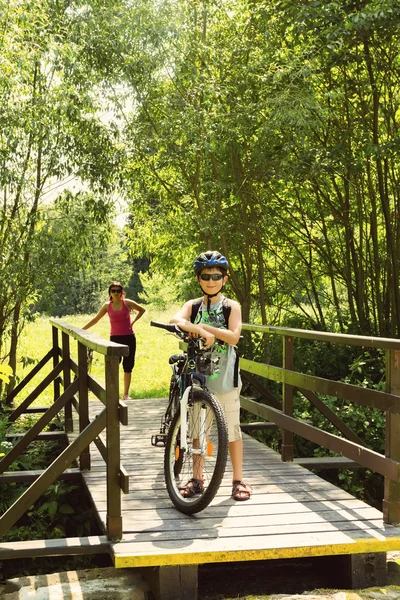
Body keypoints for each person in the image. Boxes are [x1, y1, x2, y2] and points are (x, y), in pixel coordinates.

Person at [169, 251, 252, 501]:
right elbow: (175, 319)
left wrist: (208, 329)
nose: (211, 281)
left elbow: (234, 336)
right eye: (206, 276)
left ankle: (238, 480)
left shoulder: (230, 306)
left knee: (232, 431)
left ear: (224, 279)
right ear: (199, 279)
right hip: (199, 379)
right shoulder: (193, 305)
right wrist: (196, 329)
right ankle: (197, 479)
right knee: (198, 431)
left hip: (225, 378)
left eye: (216, 276)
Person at [83, 282, 145, 401]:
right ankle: (113, 394)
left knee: (128, 366)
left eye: (118, 291)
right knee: (113, 365)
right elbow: (96, 319)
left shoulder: (127, 303)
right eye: (113, 291)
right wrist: (82, 329)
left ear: (122, 292)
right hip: (115, 339)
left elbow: (142, 310)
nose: (116, 293)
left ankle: (125, 394)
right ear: (110, 293)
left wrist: (133, 322)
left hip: (129, 338)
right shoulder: (107, 306)